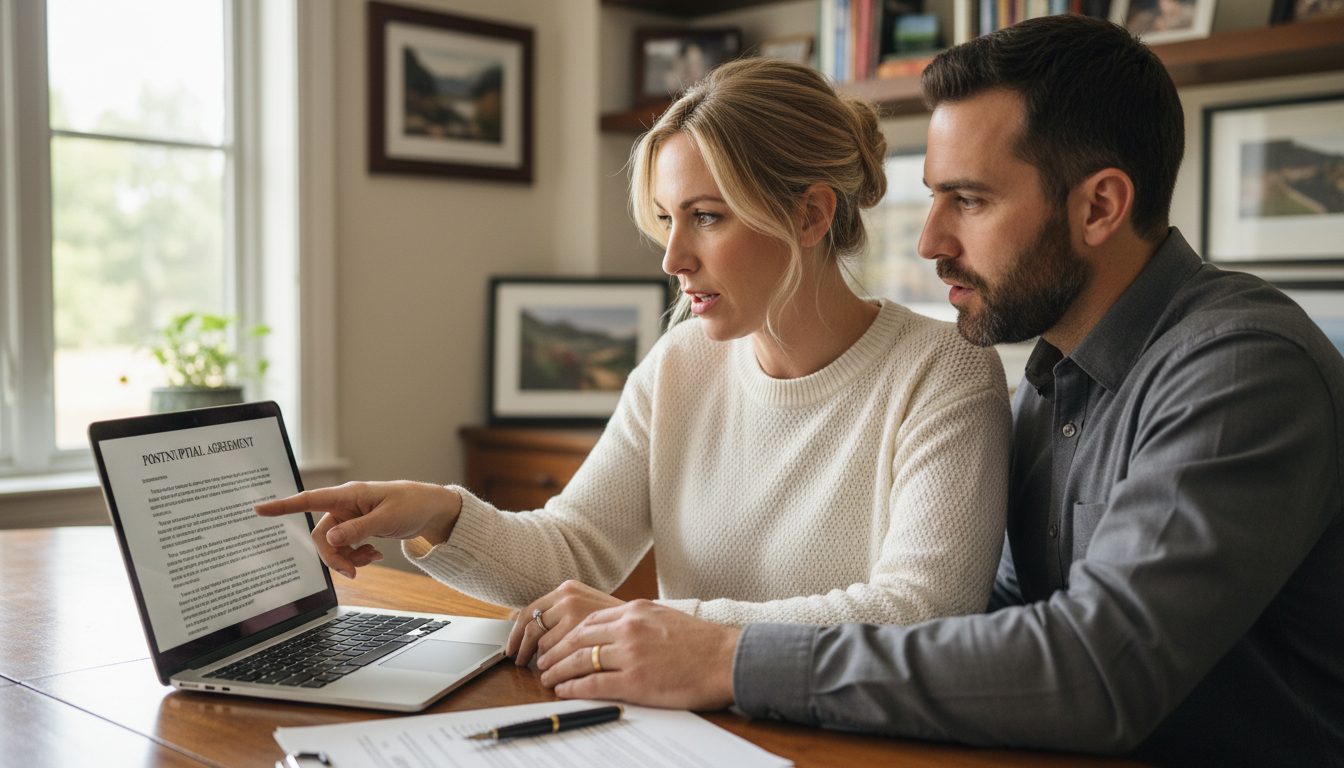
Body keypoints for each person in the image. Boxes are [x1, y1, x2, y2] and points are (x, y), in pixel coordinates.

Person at [532, 15, 1344, 766]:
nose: (929, 241)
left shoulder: (1239, 371)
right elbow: (979, 633)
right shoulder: (1053, 386)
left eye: (970, 200)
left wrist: (724, 654)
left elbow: (1096, 670)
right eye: (934, 197)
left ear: (1100, 205)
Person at [256, 58, 1012, 669]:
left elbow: (922, 612)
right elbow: (575, 549)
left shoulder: (942, 370)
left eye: (706, 217)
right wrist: (441, 514)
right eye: (666, 220)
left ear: (811, 214)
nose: (674, 259)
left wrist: (652, 625)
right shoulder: (680, 363)